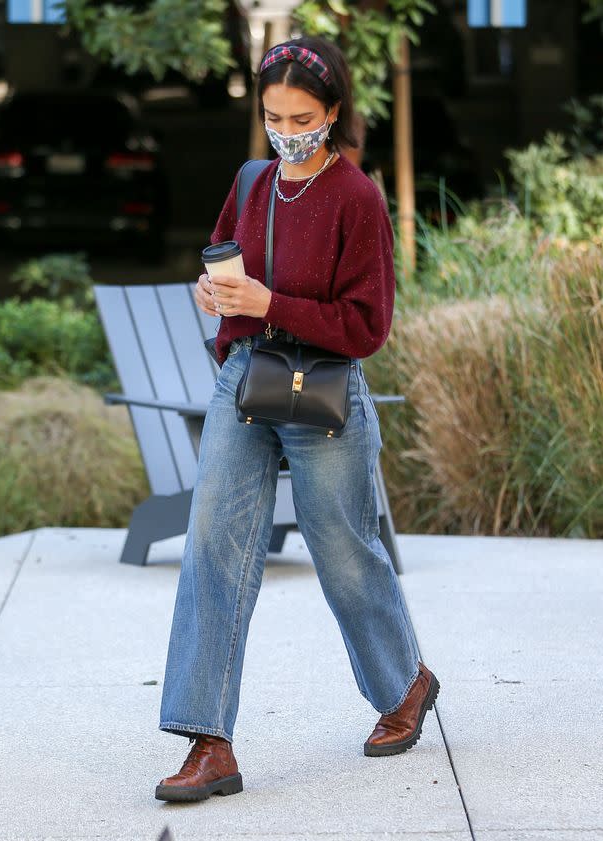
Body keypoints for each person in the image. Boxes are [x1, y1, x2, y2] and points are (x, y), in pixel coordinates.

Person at [155, 35, 440, 803]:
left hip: (325, 388)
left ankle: (405, 682)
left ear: (334, 112)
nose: (288, 129)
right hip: (247, 380)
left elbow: (367, 325)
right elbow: (227, 271)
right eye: (275, 114)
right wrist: (215, 298)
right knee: (211, 541)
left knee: (344, 553)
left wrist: (270, 304)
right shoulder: (251, 181)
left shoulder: (358, 198)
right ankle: (208, 741)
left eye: (304, 116)